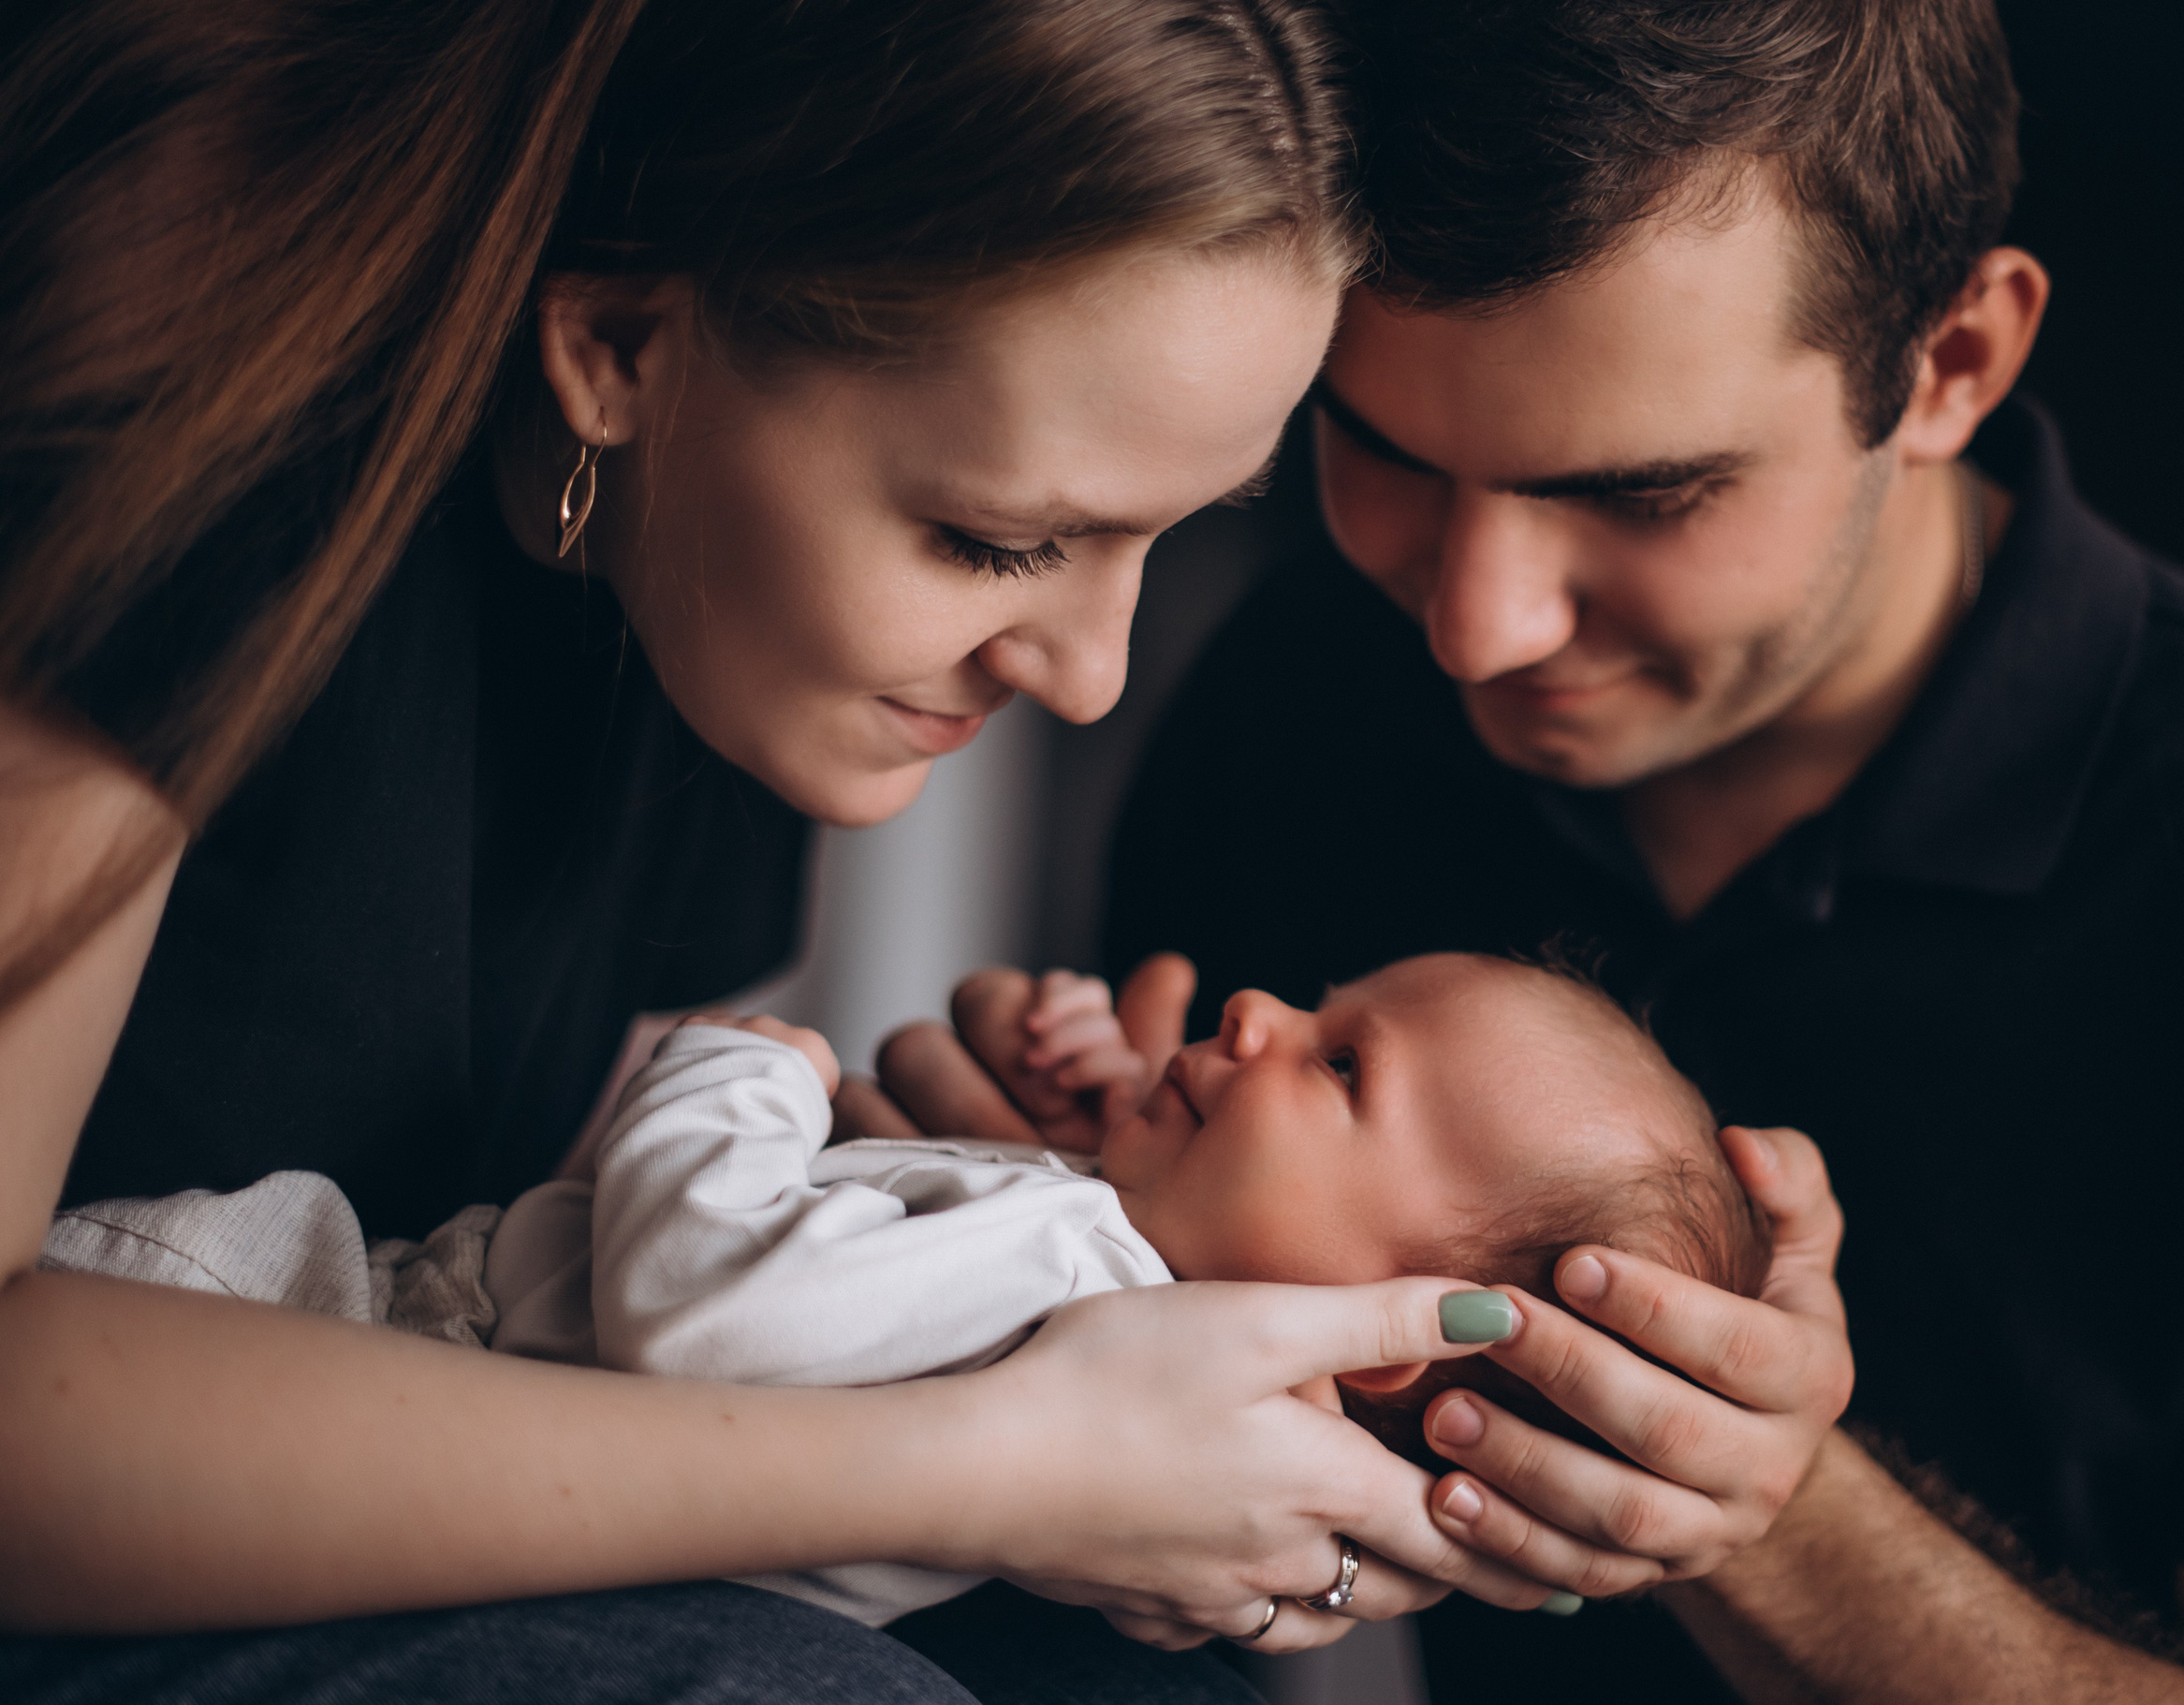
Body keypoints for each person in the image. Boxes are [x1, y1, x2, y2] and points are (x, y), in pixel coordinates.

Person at [0, 3, 1618, 1699]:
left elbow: (555, 1242)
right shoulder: (186, 387)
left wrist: (1019, 1210)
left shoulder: (725, 610)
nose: (1090, 675)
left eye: (1168, 532)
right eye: (1002, 542)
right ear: (618, 347)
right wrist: (1017, 1466)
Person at [1086, 0, 2184, 1698]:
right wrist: (1011, 1211)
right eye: (1387, 449)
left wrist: (1764, 1514)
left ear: (1952, 365)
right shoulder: (1306, 698)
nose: (1477, 630)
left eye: (1642, 494)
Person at [251, 949, 1750, 1630]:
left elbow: (694, 1300)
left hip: (357, 1327)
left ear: (1388, 1336)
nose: (1259, 1007)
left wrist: (741, 1077)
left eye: (1342, 1062)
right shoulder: (1132, 1367)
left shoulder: (1070, 1268)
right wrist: (1094, 1121)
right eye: (1318, 998)